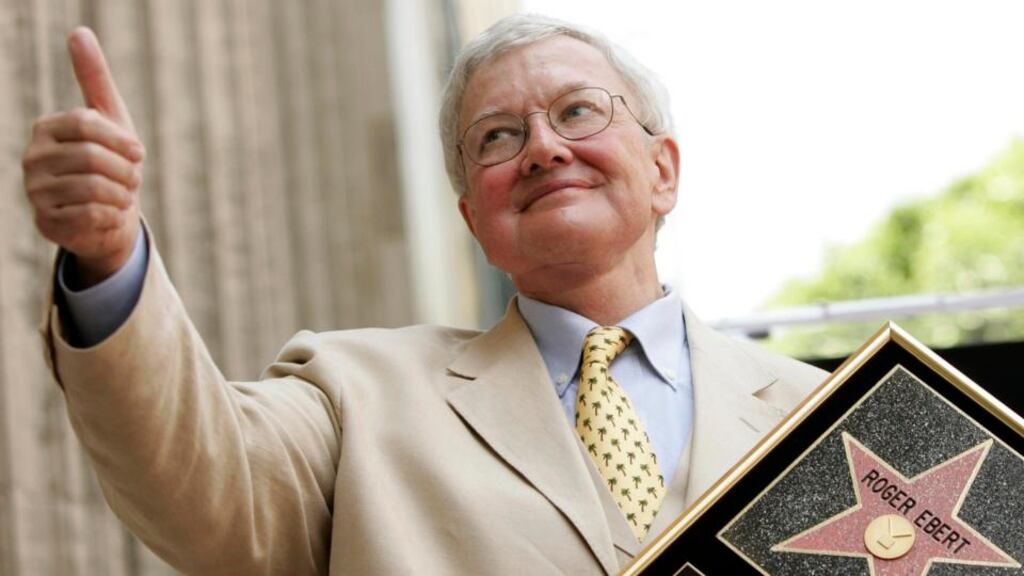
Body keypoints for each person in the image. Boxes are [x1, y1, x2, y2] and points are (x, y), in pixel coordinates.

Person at [24, 14, 826, 576]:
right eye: (498, 136)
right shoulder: (355, 397)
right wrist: (111, 259)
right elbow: (199, 480)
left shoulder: (828, 418)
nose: (544, 148)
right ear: (475, 219)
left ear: (663, 171)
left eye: (578, 111)